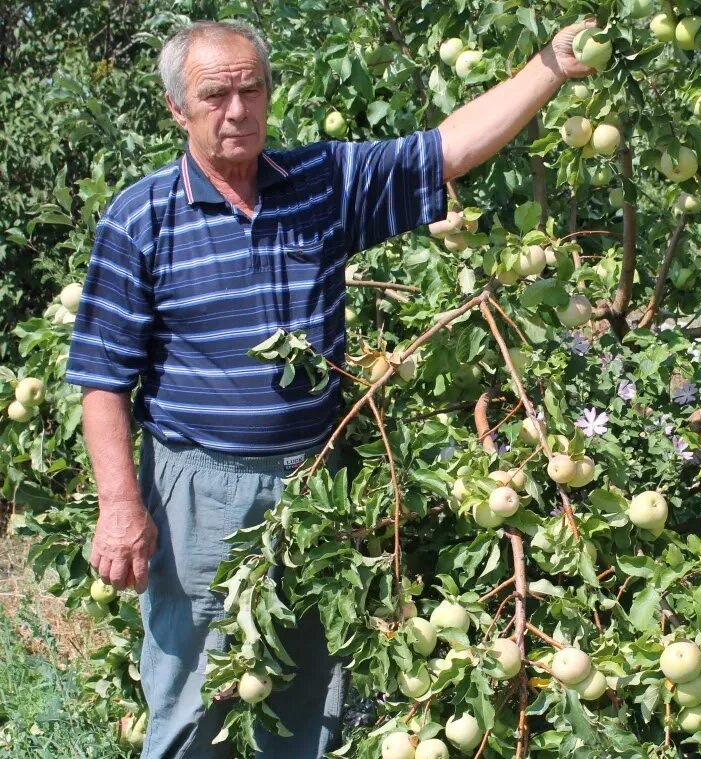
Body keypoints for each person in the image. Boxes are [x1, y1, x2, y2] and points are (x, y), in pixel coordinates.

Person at [65, 18, 595, 758]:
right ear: (176, 109)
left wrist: (549, 66)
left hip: (319, 486)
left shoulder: (321, 183)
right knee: (196, 698)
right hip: (200, 494)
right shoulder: (142, 218)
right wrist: (120, 505)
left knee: (311, 697)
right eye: (215, 95)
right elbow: (103, 376)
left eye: (252, 90)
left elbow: (448, 149)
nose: (238, 110)